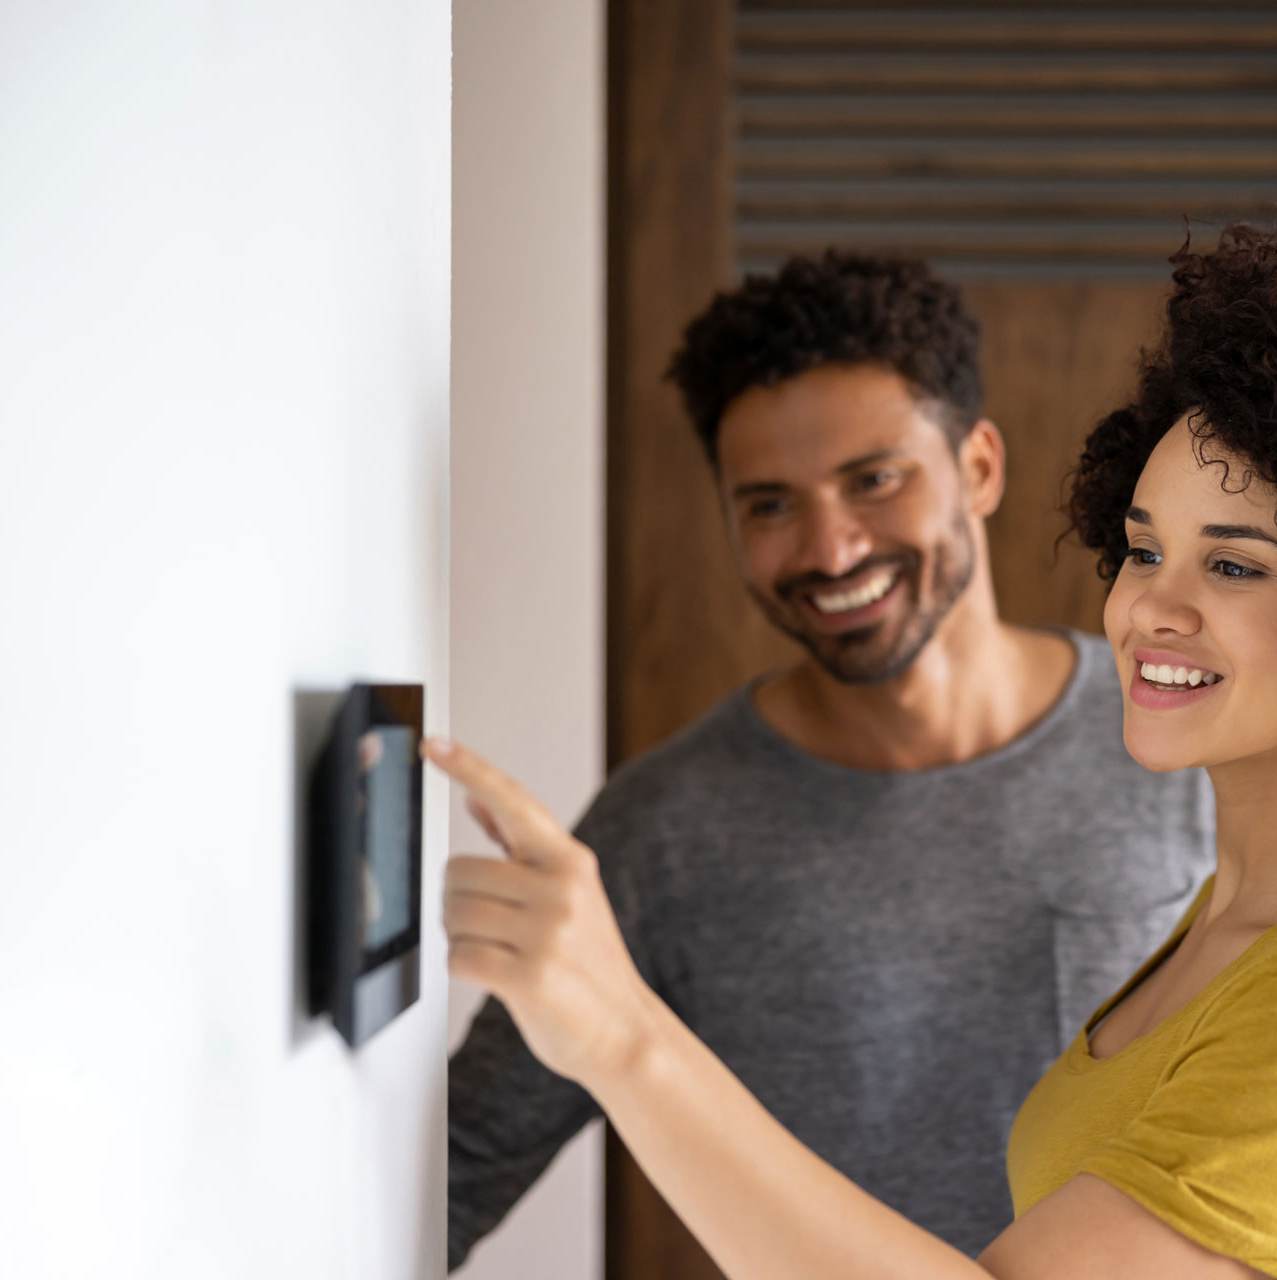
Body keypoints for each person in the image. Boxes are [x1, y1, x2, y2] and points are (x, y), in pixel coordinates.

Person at [429, 209, 1277, 1279]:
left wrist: (624, 1037)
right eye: (1143, 548)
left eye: (1233, 563)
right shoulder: (1235, 910)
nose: (1149, 606)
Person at [445, 253, 1215, 1267]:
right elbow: (449, 1175)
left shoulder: (1185, 747)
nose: (831, 547)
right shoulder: (664, 832)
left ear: (978, 466)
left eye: (874, 479)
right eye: (770, 503)